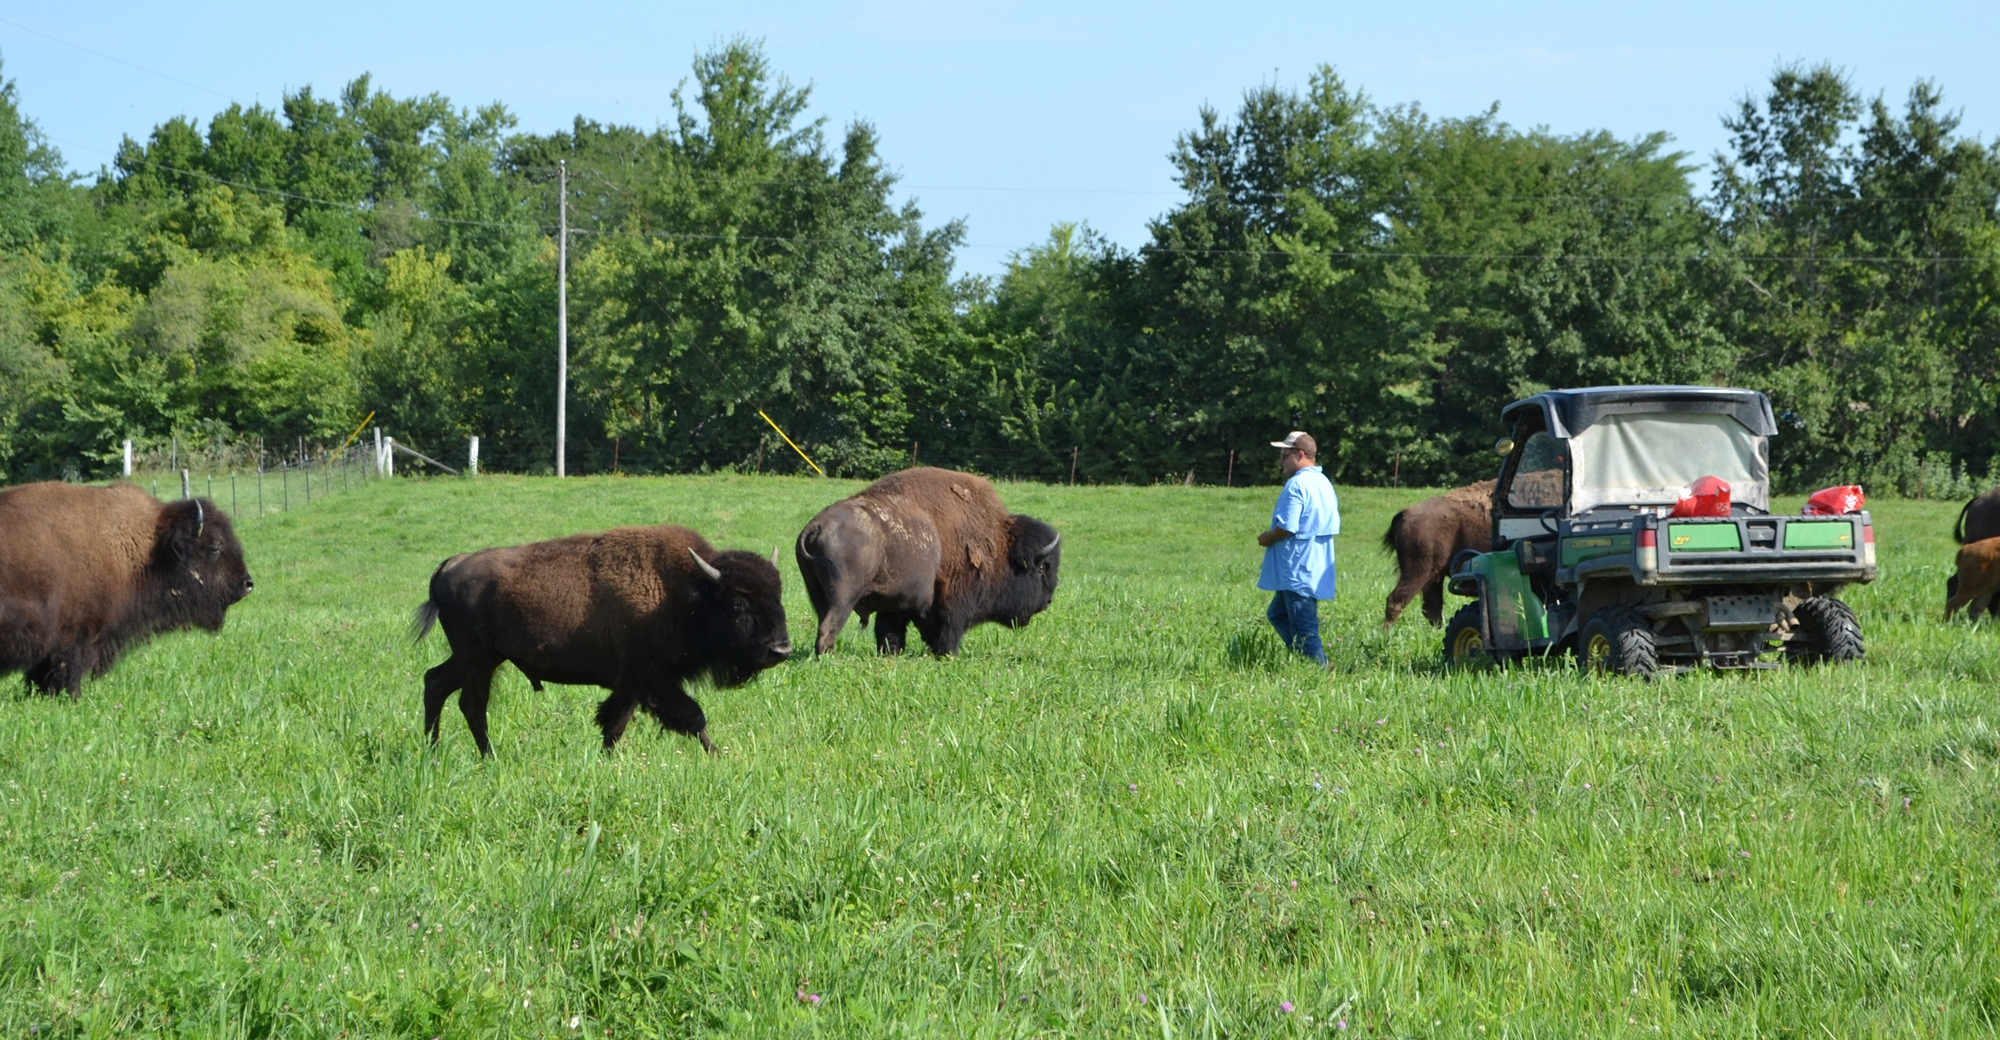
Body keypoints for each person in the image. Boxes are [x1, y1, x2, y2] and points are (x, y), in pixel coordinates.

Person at [1256, 431, 1340, 666]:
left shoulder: (1297, 484)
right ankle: (1311, 661)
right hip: (1315, 562)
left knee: (1304, 626)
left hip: (1297, 566)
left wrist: (1268, 537)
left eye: (1285, 456)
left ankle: (1318, 668)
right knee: (1278, 614)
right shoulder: (1323, 482)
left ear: (1300, 455)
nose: (1281, 461)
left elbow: (1287, 527)